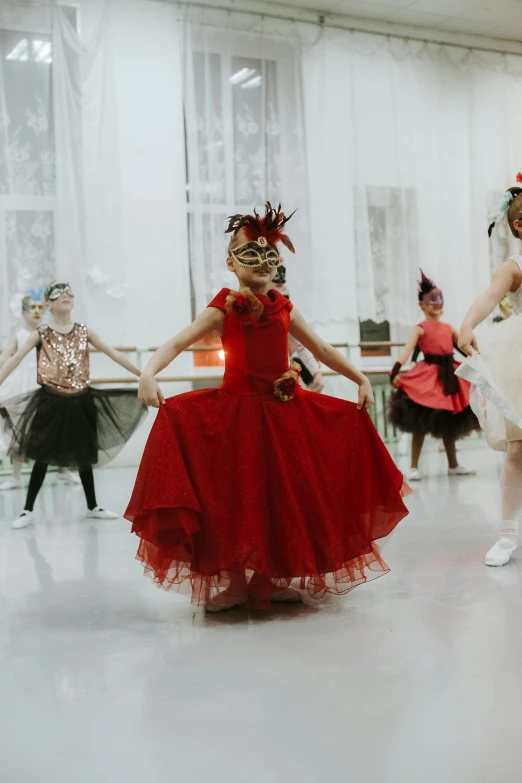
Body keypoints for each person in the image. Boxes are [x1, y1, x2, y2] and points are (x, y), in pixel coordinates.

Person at [125, 203, 409, 612]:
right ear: (230, 262)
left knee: (280, 498)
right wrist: (148, 373)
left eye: (270, 255)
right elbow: (177, 341)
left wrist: (360, 378)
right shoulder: (223, 307)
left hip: (283, 417)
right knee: (238, 499)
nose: (262, 263)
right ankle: (237, 583)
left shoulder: (283, 309)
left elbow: (322, 349)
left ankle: (271, 577)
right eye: (250, 255)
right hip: (236, 417)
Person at [0, 281, 147, 529]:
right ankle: (27, 510)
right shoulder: (41, 333)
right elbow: (14, 359)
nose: (65, 296)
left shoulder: (84, 331)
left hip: (81, 399)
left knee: (83, 454)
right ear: (49, 305)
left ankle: (93, 506)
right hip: (51, 401)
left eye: (69, 292)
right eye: (58, 294)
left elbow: (114, 353)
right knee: (42, 454)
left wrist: (143, 374)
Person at [457, 174, 522, 566]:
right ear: (520, 225)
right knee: (518, 448)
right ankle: (507, 534)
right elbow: (489, 297)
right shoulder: (515, 265)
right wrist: (467, 325)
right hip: (520, 359)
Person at [388, 271, 478, 481]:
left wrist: (481, 358)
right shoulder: (420, 328)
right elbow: (407, 350)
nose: (437, 304)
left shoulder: (448, 328)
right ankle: (413, 466)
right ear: (422, 304)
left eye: (439, 299)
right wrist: (395, 369)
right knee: (419, 421)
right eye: (431, 300)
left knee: (449, 421)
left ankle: (453, 465)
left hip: (450, 376)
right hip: (428, 377)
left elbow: (465, 347)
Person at [0, 288, 80, 489]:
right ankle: (16, 476)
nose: (36, 312)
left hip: (44, 382)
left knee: (54, 428)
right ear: (23, 312)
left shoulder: (47, 332)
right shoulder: (18, 335)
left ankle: (64, 470)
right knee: (19, 429)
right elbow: (7, 356)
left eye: (39, 308)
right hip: (20, 384)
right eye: (31, 308)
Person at [270, 265, 324, 392]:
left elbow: (301, 345)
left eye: (286, 298)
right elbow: (274, 355)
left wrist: (316, 372)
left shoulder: (288, 314)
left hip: (286, 375)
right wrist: (298, 383)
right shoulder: (261, 317)